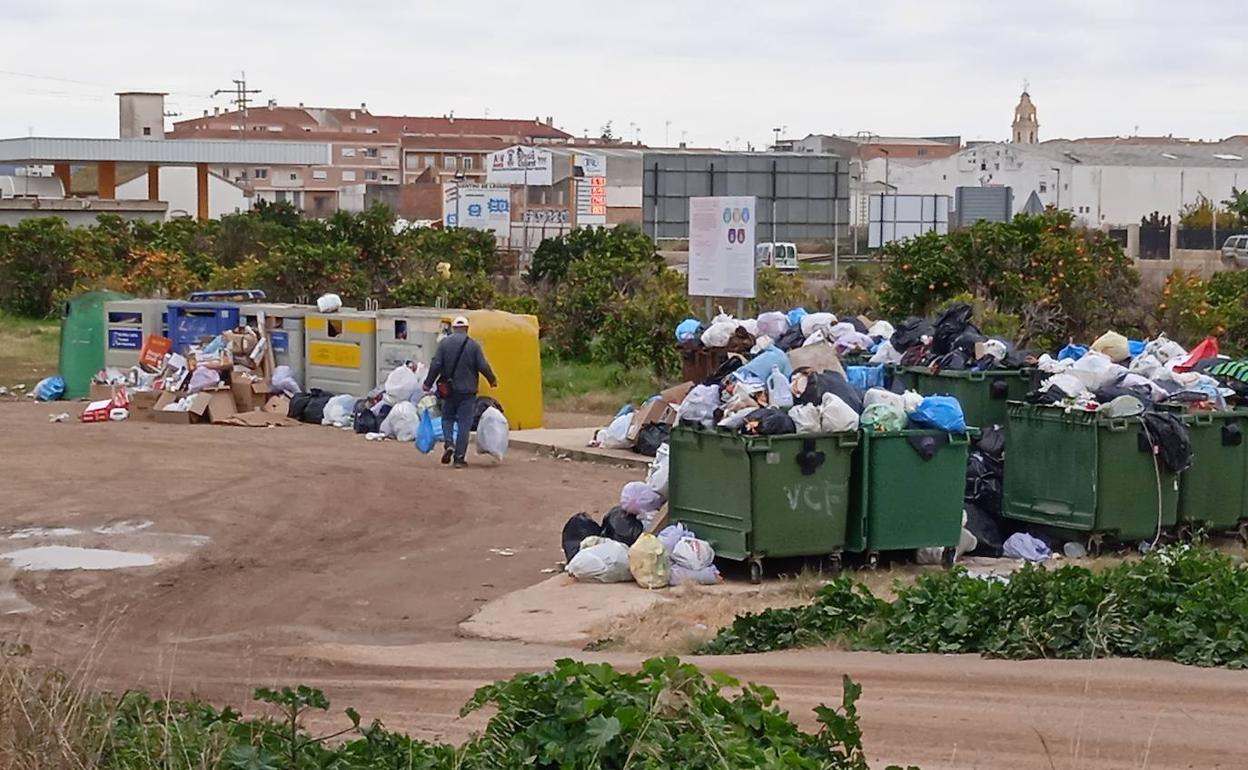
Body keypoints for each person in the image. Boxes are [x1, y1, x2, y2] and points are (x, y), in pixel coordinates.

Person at [423, 316, 498, 467]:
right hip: (468, 392)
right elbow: (483, 365)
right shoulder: (473, 345)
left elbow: (436, 364)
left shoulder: (444, 344)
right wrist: (492, 379)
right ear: (467, 329)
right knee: (464, 423)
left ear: (453, 328)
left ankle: (449, 443)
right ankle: (459, 458)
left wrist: (428, 383)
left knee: (447, 418)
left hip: (449, 390)